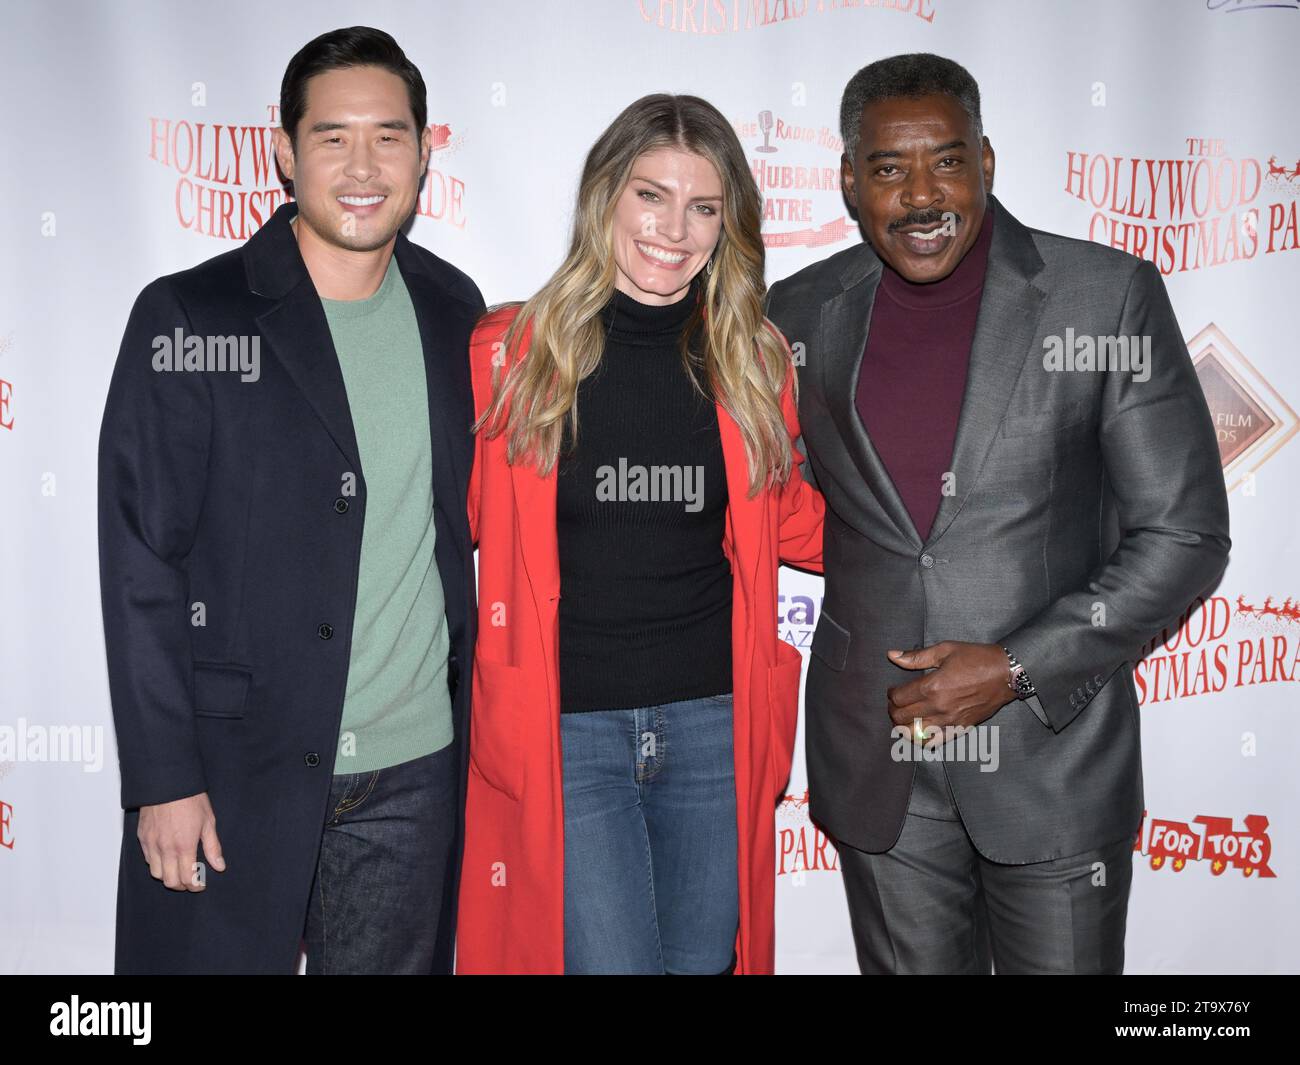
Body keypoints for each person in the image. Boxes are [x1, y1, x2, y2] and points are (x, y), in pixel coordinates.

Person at [765, 53, 1230, 974]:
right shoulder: (800, 310)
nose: (922, 194)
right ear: (851, 181)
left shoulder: (1106, 295)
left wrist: (1016, 666)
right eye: (890, 169)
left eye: (947, 160)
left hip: (1051, 764)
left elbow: (1184, 534)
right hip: (880, 765)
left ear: (988, 160)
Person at [98, 26, 482, 973]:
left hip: (413, 770)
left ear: (425, 152)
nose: (362, 166)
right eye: (332, 136)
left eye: (389, 136)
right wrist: (163, 778)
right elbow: (142, 562)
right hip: (235, 774)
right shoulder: (192, 315)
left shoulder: (454, 310)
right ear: (282, 148)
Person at [454, 93, 824, 975]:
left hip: (714, 721)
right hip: (567, 728)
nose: (675, 229)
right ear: (604, 199)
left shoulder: (755, 360)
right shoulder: (509, 355)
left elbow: (800, 521)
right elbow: (445, 515)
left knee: (703, 964)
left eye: (704, 207)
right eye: (651, 196)